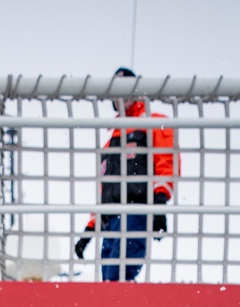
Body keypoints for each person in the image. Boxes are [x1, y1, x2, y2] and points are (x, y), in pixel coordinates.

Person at [75, 69, 179, 281]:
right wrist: (89, 231)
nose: (120, 98)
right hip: (110, 220)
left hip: (135, 210)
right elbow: (104, 189)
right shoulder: (110, 140)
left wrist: (159, 202)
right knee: (108, 280)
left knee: (119, 274)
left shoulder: (153, 123)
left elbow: (165, 163)